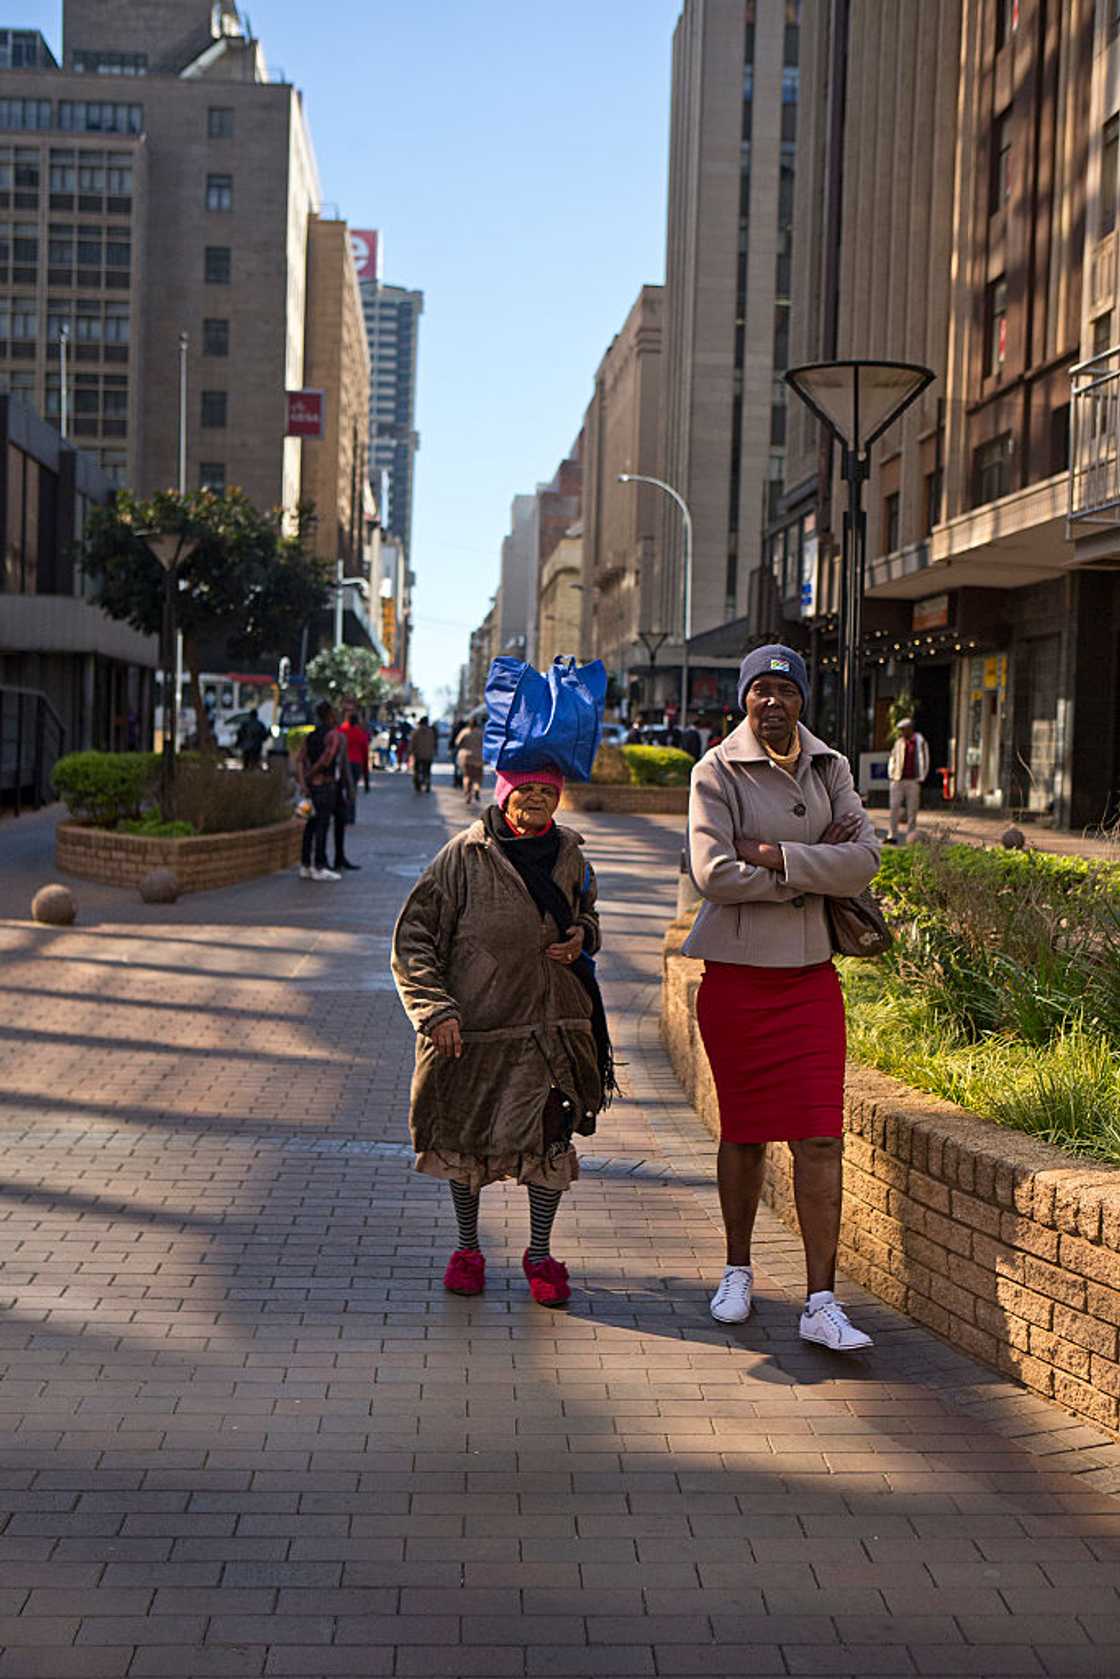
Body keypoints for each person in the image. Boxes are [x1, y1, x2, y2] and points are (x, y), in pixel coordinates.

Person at [685, 643, 880, 1352]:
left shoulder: (831, 766)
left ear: (803, 699)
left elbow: (865, 858)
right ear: (745, 699)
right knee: (744, 1130)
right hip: (737, 977)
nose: (773, 702)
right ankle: (737, 1269)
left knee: (821, 1133)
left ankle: (821, 1300)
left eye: (786, 691)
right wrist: (808, 871)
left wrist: (771, 854)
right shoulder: (715, 769)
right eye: (760, 690)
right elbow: (714, 872)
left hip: (809, 977)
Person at [392, 765, 613, 1307]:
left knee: (549, 1141)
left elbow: (588, 913)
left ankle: (539, 1255)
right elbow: (413, 938)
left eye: (547, 792)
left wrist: (582, 934)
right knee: (467, 1144)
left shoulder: (570, 855)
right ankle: (467, 1250)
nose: (536, 801)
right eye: (526, 791)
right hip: (476, 1032)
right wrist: (435, 1011)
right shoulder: (462, 857)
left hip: (554, 1029)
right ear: (504, 796)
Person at [297, 702, 344, 882]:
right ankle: (319, 866)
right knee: (322, 825)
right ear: (330, 715)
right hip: (325, 786)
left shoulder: (311, 736)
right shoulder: (333, 735)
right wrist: (311, 775)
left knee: (310, 825)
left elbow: (300, 760)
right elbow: (327, 759)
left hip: (311, 788)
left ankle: (305, 865)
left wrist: (303, 782)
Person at [886, 717, 929, 845]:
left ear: (910, 729)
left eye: (904, 730)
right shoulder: (899, 742)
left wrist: (922, 777)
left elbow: (925, 758)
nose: (902, 732)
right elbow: (893, 757)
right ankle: (892, 834)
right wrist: (891, 773)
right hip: (898, 779)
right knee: (894, 807)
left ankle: (911, 836)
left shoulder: (920, 741)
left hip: (913, 780)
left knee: (912, 810)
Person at [331, 750, 360, 872]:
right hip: (329, 785)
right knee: (322, 824)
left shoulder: (338, 737)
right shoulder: (336, 737)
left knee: (338, 821)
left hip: (331, 784)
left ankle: (338, 858)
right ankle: (320, 862)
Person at [339, 709, 371, 793]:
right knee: (353, 787)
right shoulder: (361, 734)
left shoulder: (342, 731)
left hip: (343, 763)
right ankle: (351, 803)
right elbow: (365, 755)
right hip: (357, 764)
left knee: (342, 787)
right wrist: (366, 782)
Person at [455, 721, 485, 805]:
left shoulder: (464, 732)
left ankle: (468, 795)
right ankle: (476, 789)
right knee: (478, 777)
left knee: (466, 776)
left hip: (466, 757)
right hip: (479, 757)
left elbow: (457, 743)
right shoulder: (481, 733)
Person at [410, 715, 437, 793]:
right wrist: (434, 751)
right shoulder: (431, 732)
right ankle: (427, 783)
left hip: (418, 755)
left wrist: (411, 752)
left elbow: (412, 743)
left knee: (417, 770)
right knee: (427, 771)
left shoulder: (416, 732)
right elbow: (434, 743)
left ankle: (418, 784)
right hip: (428, 755)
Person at [449, 718, 467, 788]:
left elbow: (452, 740)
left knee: (456, 767)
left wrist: (450, 747)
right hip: (464, 750)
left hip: (456, 749)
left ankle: (456, 782)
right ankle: (461, 781)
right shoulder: (466, 731)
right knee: (463, 767)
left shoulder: (455, 729)